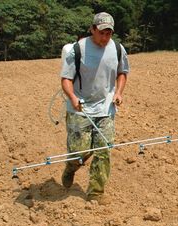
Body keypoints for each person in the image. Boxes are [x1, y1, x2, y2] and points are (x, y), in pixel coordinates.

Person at [60, 12, 129, 204]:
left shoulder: (117, 48)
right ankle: (71, 166)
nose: (105, 38)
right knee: (80, 151)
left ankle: (96, 192)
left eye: (109, 33)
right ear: (92, 29)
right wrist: (73, 97)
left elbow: (122, 73)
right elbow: (65, 79)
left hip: (105, 109)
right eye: (101, 33)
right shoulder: (78, 49)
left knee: (103, 150)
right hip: (80, 107)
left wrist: (118, 92)